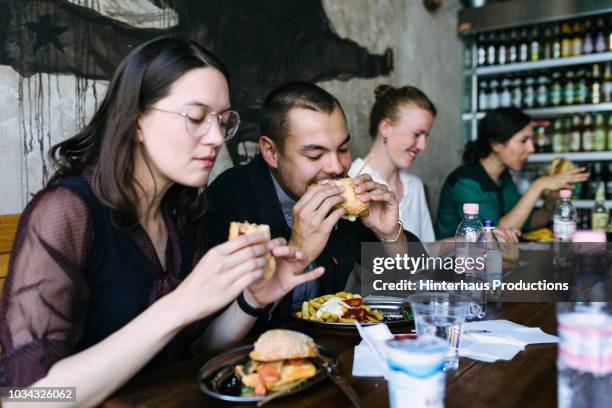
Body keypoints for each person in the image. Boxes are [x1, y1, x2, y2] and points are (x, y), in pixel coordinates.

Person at [0, 38, 319, 405]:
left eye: (223, 121)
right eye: (197, 118)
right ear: (137, 120)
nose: (216, 138)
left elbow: (197, 349)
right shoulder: (65, 212)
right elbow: (27, 398)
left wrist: (252, 299)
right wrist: (179, 304)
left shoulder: (180, 214)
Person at [203, 81, 423, 329]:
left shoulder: (344, 199)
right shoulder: (232, 202)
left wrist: (390, 235)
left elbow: (413, 292)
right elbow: (214, 334)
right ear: (271, 152)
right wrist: (298, 246)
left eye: (343, 149)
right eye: (315, 155)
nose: (336, 167)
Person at [434, 107, 589, 239]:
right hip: (456, 267)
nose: (531, 149)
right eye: (523, 141)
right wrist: (539, 185)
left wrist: (549, 202)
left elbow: (527, 222)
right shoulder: (466, 182)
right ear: (497, 144)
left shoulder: (504, 178)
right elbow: (493, 237)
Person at [348, 84, 436, 242]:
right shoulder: (352, 182)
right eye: (417, 134)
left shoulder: (415, 186)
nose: (423, 146)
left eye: (426, 136)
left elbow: (425, 255)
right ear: (386, 128)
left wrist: (462, 243)